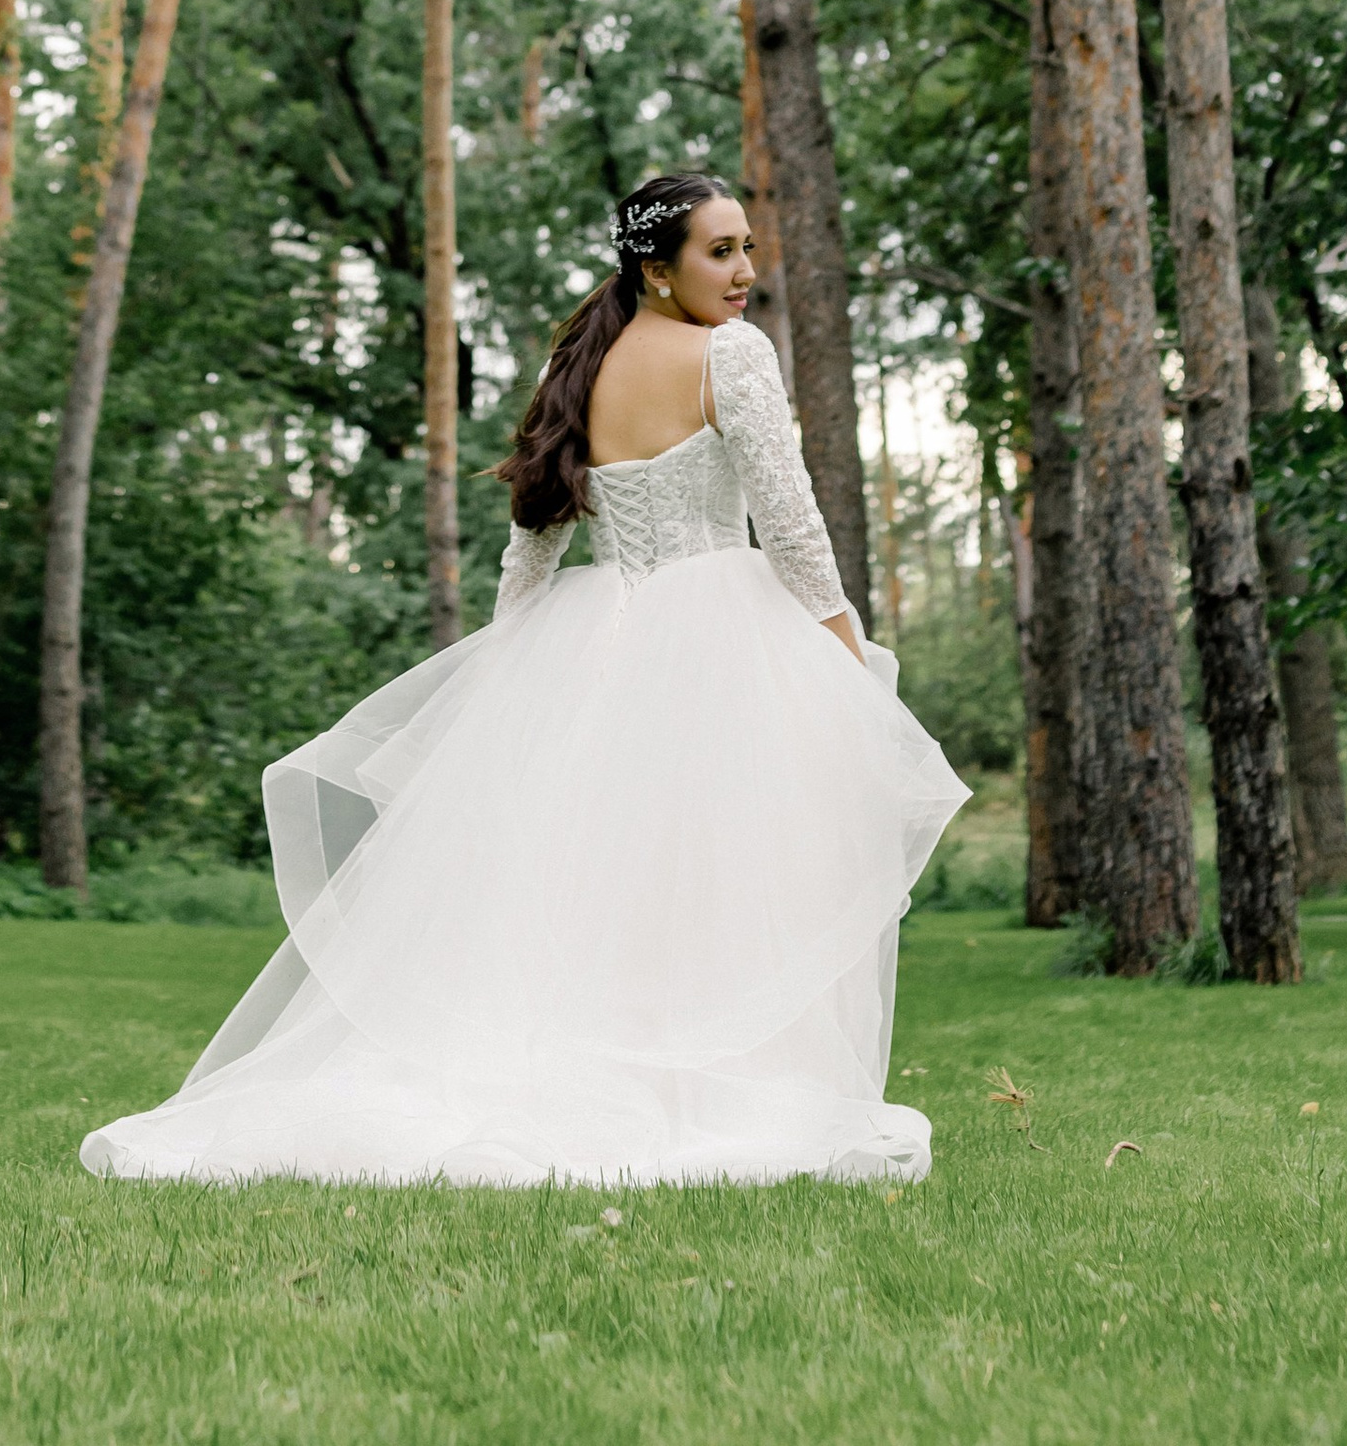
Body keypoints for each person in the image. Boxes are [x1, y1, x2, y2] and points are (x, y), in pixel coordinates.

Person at [82, 171, 967, 1189]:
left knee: (605, 882)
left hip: (598, 641)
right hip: (720, 631)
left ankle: (609, 1075)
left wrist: (510, 672)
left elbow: (532, 544)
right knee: (709, 877)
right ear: (656, 265)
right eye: (719, 251)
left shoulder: (579, 364)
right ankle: (694, 1089)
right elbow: (792, 522)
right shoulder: (732, 356)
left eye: (747, 247)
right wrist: (841, 651)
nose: (744, 272)